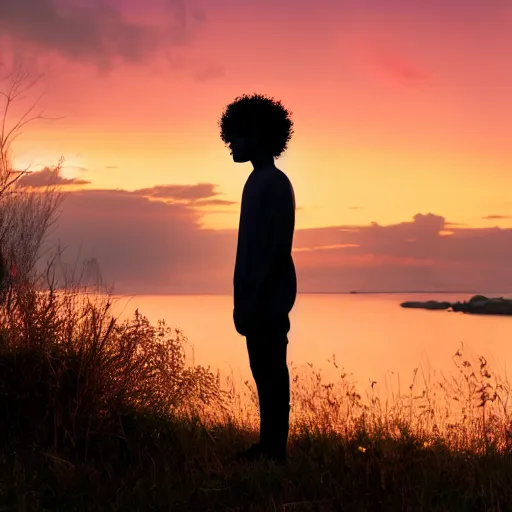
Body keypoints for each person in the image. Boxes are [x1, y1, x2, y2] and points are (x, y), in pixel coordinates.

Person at [218, 93, 297, 464]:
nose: (231, 143)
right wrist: (240, 299)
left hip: (268, 298)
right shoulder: (256, 183)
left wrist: (255, 298)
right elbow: (247, 250)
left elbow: (274, 250)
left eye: (237, 136)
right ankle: (267, 446)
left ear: (258, 134)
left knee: (271, 373)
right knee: (262, 372)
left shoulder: (275, 183)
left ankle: (274, 450)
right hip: (254, 298)